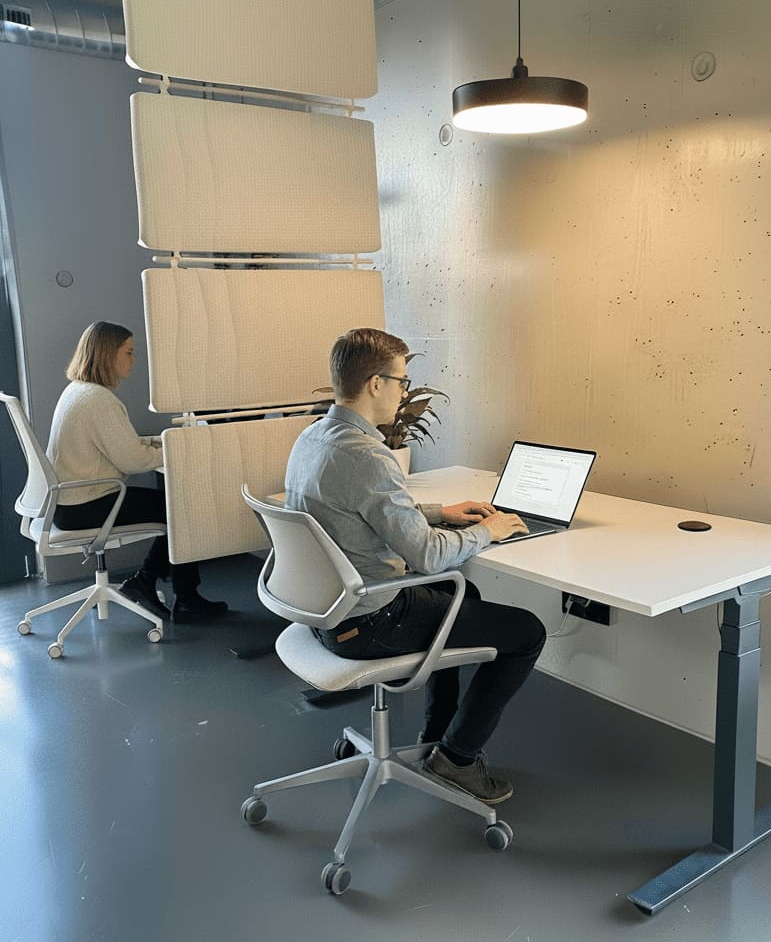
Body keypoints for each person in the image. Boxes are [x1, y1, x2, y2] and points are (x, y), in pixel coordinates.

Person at [284, 327, 547, 804]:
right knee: (527, 632)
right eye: (401, 381)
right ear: (375, 385)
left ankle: (440, 735)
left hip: (326, 612)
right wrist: (488, 531)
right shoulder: (367, 456)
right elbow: (425, 555)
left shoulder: (314, 437)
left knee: (457, 598)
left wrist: (441, 514)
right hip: (370, 621)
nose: (405, 391)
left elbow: (352, 511)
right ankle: (457, 759)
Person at [46, 321, 227, 624]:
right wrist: (176, 452)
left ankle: (154, 584)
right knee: (183, 510)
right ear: (107, 355)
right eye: (128, 352)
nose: (134, 359)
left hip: (71, 504)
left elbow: (116, 442)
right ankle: (179, 596)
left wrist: (160, 441)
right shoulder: (99, 400)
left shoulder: (78, 392)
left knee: (175, 508)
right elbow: (132, 461)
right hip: (90, 504)